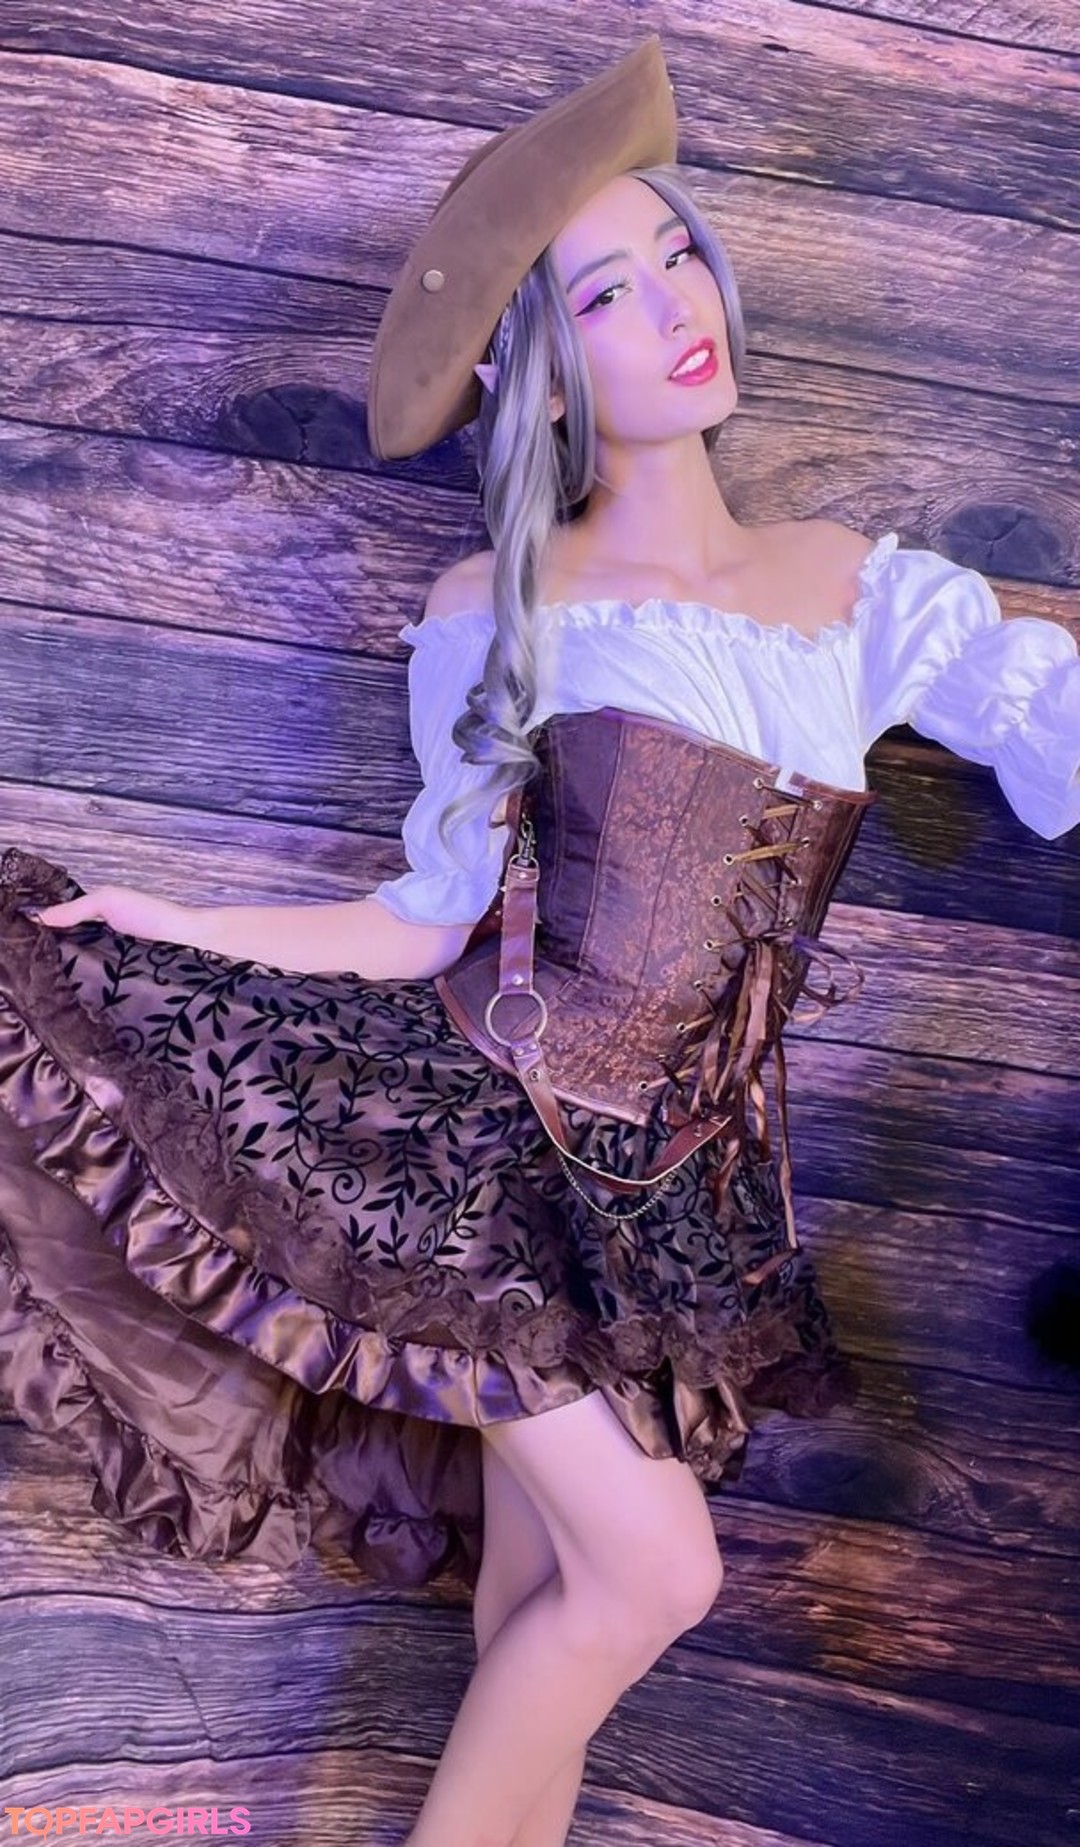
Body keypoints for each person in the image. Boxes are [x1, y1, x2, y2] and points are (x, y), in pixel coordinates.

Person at [0, 36, 1077, 1847]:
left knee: (547, 1604)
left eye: (677, 255)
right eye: (604, 292)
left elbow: (1054, 719)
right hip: (480, 1151)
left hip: (676, 1199)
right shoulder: (498, 611)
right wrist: (173, 920)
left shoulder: (865, 592)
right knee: (658, 1577)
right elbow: (424, 911)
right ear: (532, 375)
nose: (674, 307)